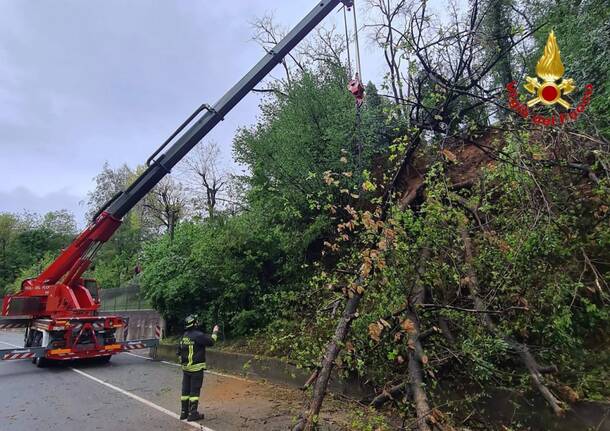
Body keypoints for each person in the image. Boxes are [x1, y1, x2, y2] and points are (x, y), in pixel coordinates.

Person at [177, 315, 219, 421]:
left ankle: (183, 413)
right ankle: (193, 414)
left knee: (185, 391)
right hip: (196, 369)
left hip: (186, 369)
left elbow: (178, 352)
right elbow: (211, 342)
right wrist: (215, 331)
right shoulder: (198, 335)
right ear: (194, 323)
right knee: (194, 391)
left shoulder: (184, 336)